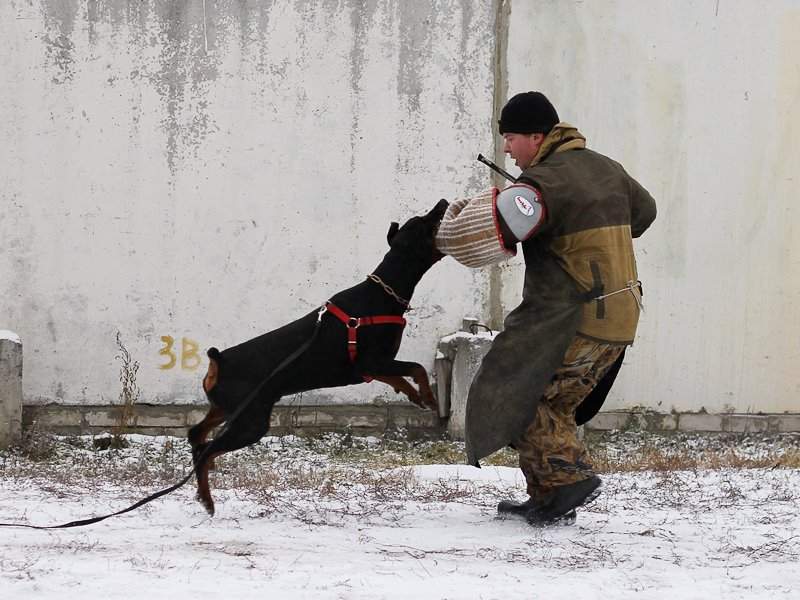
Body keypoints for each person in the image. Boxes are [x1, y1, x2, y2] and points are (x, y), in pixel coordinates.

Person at [435, 91, 656, 525]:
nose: (505, 148)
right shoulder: (606, 168)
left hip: (578, 313)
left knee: (523, 394)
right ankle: (547, 496)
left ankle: (568, 481)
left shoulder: (544, 183)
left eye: (510, 137)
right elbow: (644, 214)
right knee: (554, 404)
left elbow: (500, 231)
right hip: (621, 309)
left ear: (537, 136)